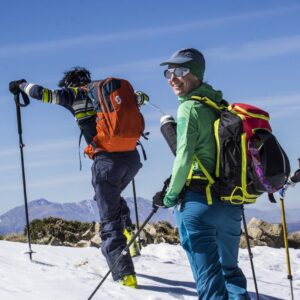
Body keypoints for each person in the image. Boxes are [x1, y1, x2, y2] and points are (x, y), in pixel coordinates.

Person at [9, 67, 149, 288]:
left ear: (69, 84)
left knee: (108, 219)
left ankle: (125, 277)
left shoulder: (74, 95)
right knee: (110, 198)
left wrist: (20, 86)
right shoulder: (104, 95)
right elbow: (141, 98)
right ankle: (128, 230)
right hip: (132, 158)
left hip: (107, 162)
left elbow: (41, 93)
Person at [156, 48, 250, 299]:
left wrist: (169, 196)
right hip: (230, 204)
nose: (172, 78)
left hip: (199, 203)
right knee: (230, 272)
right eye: (168, 72)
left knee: (209, 279)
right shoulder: (219, 105)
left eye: (180, 71)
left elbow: (184, 156)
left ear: (196, 73)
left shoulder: (189, 108)